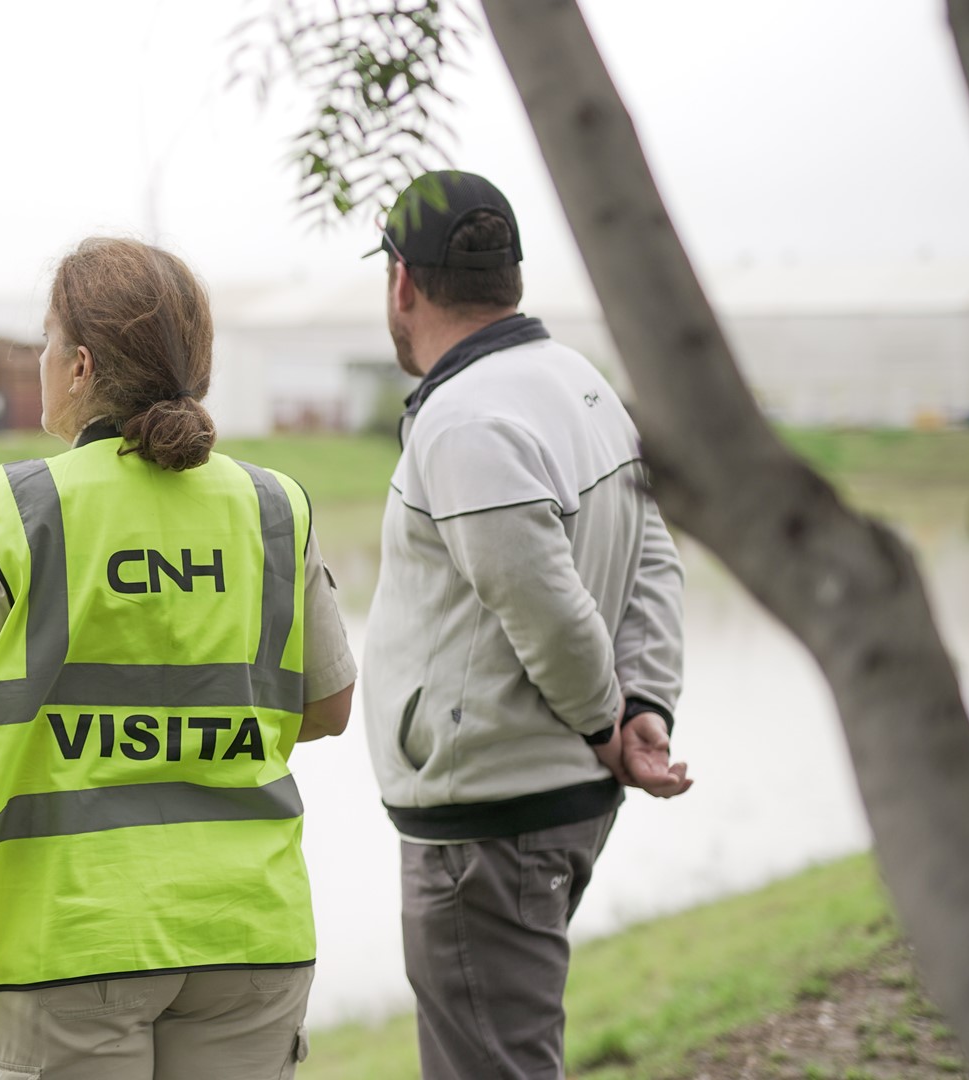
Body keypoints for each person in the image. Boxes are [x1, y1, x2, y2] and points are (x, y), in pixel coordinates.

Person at [0, 236, 358, 1080]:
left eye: (47, 344)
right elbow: (328, 709)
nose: (39, 361)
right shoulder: (274, 507)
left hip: (68, 933)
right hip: (249, 930)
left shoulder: (20, 506)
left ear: (80, 366)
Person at [360, 170, 690, 1079]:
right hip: (546, 804)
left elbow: (542, 603)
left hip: (488, 821)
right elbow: (654, 558)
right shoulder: (579, 383)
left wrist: (604, 722)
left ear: (401, 281)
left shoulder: (468, 418)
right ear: (509, 274)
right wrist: (645, 705)